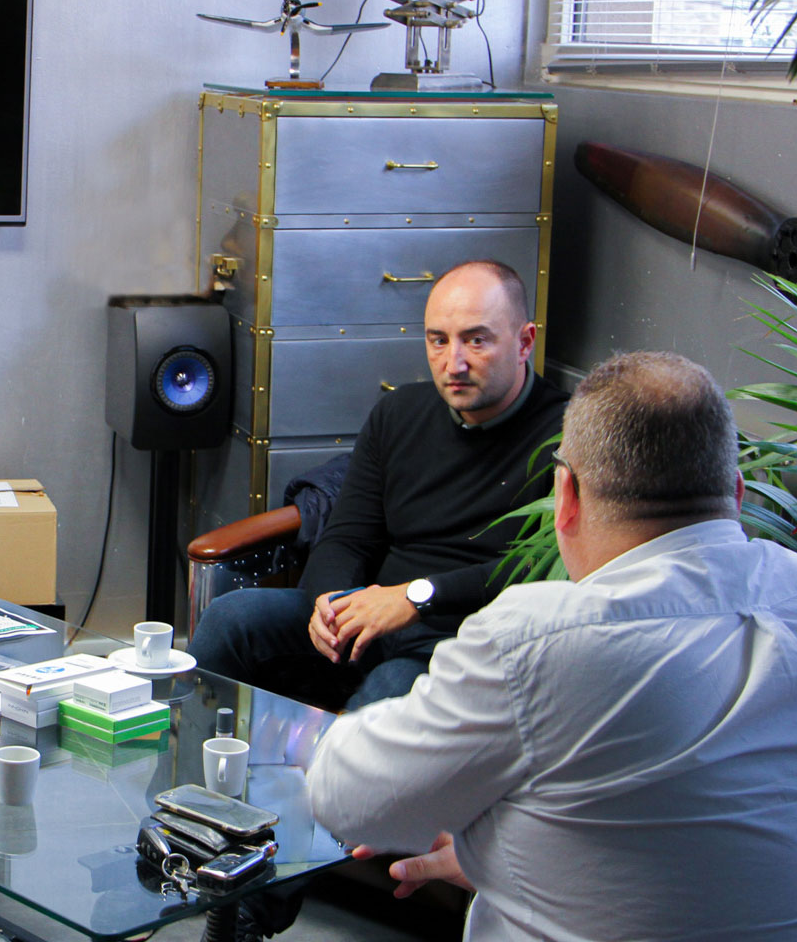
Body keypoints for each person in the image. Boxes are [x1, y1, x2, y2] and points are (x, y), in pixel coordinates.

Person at [217, 352, 797, 942]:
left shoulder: (542, 634)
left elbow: (345, 798)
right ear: (732, 490)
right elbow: (724, 817)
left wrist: (304, 744)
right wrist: (505, 841)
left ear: (566, 497)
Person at [189, 260, 569, 710]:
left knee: (386, 695)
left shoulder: (568, 433)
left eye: (477, 340)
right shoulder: (399, 413)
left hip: (461, 638)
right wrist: (326, 603)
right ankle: (193, 775)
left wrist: (416, 596)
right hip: (369, 617)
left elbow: (547, 570)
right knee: (227, 620)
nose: (454, 363)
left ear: (525, 341)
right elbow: (347, 536)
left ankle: (325, 781)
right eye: (438, 341)